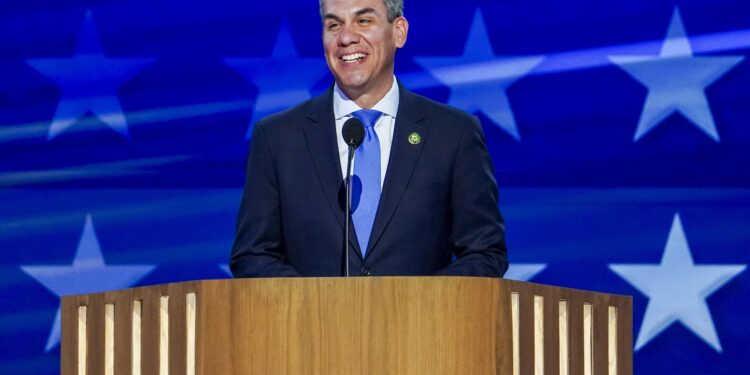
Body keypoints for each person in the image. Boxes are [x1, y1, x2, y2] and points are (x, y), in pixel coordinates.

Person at [230, 0, 508, 277]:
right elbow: (253, 257)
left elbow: (485, 254)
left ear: (399, 32)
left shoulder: (453, 134)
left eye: (363, 21)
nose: (347, 37)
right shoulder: (278, 138)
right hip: (312, 319)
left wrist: (414, 305)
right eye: (334, 24)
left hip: (421, 319)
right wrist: (316, 306)